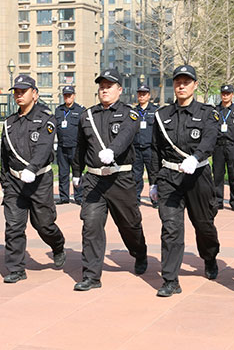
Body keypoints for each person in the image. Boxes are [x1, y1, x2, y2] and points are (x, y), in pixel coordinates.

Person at [72, 69, 148, 291]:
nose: (104, 90)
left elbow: (126, 135)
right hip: (94, 180)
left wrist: (113, 151)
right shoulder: (87, 116)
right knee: (91, 225)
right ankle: (91, 276)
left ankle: (139, 252)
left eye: (109, 86)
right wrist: (76, 172)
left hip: (120, 179)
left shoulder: (129, 114)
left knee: (129, 224)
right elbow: (80, 147)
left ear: (119, 90)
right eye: (102, 86)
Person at [149, 65, 221, 297]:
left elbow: (210, 139)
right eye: (178, 82)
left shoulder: (207, 113)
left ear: (195, 85)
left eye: (186, 82)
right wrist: (153, 181)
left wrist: (196, 157)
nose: (181, 86)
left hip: (198, 175)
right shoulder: (162, 115)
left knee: (204, 224)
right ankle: (170, 279)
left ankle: (209, 257)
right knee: (171, 228)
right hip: (169, 177)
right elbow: (154, 149)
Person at [0, 74, 66, 283]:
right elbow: (4, 156)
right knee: (14, 226)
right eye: (16, 92)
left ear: (35, 94)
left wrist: (32, 168)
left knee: (43, 224)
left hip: (39, 181)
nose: (19, 95)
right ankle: (16, 269)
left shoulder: (46, 118)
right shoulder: (9, 123)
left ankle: (57, 245)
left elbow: (44, 147)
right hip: (15, 183)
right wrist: (5, 181)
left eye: (23, 91)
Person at [213, 84, 234, 211]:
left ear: (232, 95)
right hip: (218, 146)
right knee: (218, 174)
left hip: (233, 146)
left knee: (233, 174)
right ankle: (218, 201)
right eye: (223, 93)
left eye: (228, 94)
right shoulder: (215, 111)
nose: (225, 96)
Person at [54, 85, 84, 205]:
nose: (67, 97)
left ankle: (79, 197)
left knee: (77, 172)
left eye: (69, 95)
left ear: (74, 96)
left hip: (75, 147)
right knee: (63, 173)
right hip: (62, 147)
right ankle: (64, 197)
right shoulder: (58, 110)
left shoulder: (80, 110)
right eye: (65, 95)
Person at [132, 84, 159, 207]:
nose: (141, 96)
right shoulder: (133, 112)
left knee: (153, 174)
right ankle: (136, 199)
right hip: (136, 148)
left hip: (150, 148)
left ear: (148, 96)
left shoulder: (155, 111)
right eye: (140, 94)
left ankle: (155, 200)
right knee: (136, 176)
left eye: (144, 94)